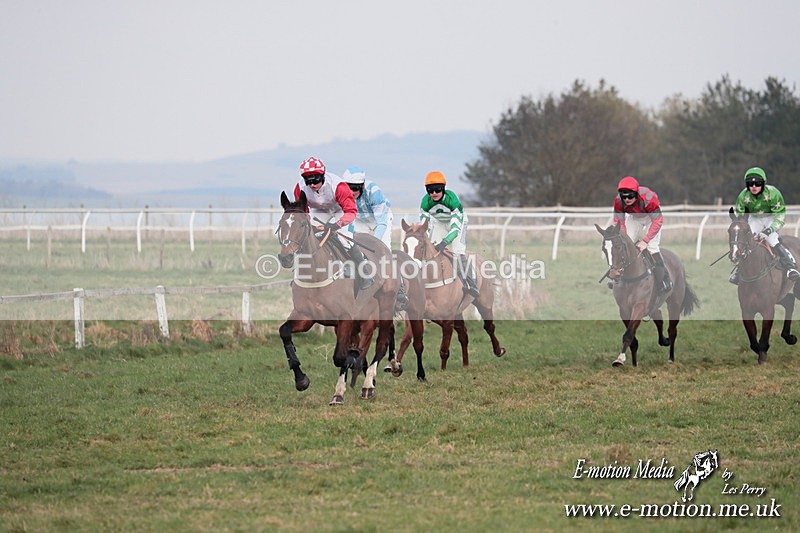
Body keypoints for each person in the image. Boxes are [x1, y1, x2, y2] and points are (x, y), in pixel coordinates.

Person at [293, 156, 373, 290]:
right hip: (319, 210)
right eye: (308, 181)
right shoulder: (300, 188)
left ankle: (363, 273)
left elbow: (351, 211)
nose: (312, 185)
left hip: (339, 209)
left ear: (323, 175)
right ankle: (300, 273)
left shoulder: (338, 186)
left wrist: (337, 225)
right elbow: (303, 212)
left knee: (345, 240)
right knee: (308, 238)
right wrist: (309, 226)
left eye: (315, 180)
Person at [730, 166, 800, 284]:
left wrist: (769, 230)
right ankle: (739, 270)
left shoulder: (773, 193)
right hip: (754, 218)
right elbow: (741, 216)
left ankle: (790, 267)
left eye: (757, 183)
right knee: (747, 240)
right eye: (750, 184)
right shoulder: (743, 196)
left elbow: (780, 216)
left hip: (771, 217)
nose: (753, 187)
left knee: (772, 239)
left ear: (763, 183)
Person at [419, 171, 480, 297]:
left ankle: (472, 282)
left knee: (458, 253)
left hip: (458, 223)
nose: (434, 193)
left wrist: (445, 242)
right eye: (430, 190)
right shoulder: (425, 202)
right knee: (430, 250)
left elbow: (455, 228)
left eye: (437, 189)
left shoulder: (452, 200)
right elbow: (424, 226)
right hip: (440, 223)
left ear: (443, 189)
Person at [612, 176, 672, 293]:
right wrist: (624, 238)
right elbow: (620, 223)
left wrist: (645, 241)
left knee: (652, 247)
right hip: (634, 218)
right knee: (625, 244)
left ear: (636, 193)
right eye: (624, 196)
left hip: (652, 219)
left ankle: (664, 280)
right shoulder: (618, 202)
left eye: (630, 196)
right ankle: (619, 276)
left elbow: (658, 221)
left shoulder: (649, 198)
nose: (627, 199)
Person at [341, 166, 394, 249]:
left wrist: (374, 243)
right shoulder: (342, 193)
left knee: (381, 248)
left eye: (355, 188)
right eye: (348, 188)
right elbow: (349, 220)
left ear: (362, 186)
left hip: (380, 220)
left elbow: (382, 223)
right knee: (357, 248)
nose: (351, 192)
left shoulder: (374, 192)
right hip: (361, 221)